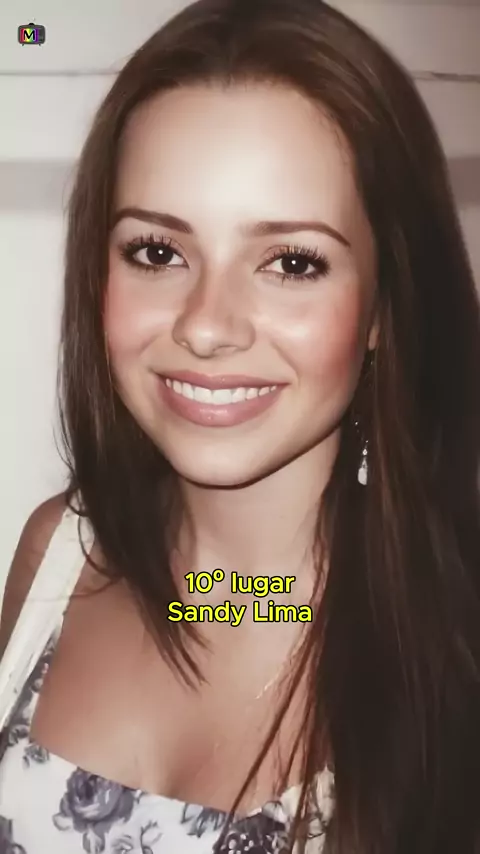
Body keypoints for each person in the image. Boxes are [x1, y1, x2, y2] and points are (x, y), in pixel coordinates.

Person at [1, 0, 480, 851]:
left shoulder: (455, 640)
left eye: (291, 262)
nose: (206, 326)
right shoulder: (58, 553)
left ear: (384, 305)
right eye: (157, 252)